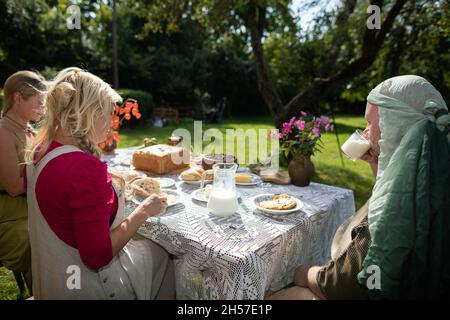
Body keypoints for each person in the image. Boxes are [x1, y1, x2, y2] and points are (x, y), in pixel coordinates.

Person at [269, 75, 450, 300]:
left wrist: (303, 274)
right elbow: (395, 186)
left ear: (394, 126)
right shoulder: (436, 170)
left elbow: (344, 286)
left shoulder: (392, 214)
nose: (365, 132)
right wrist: (376, 160)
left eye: (370, 123)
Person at [25, 67, 175, 299]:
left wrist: (113, 181)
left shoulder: (41, 149)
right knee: (166, 254)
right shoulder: (82, 168)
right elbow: (97, 256)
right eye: (107, 113)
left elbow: (66, 194)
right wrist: (144, 211)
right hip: (89, 288)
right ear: (89, 113)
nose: (111, 122)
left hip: (53, 280)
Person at [0, 70, 46, 291]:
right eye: (39, 103)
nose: (43, 109)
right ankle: (45, 291)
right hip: (9, 216)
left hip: (31, 206)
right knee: (38, 241)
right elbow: (14, 187)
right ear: (18, 98)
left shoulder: (28, 129)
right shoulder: (3, 133)